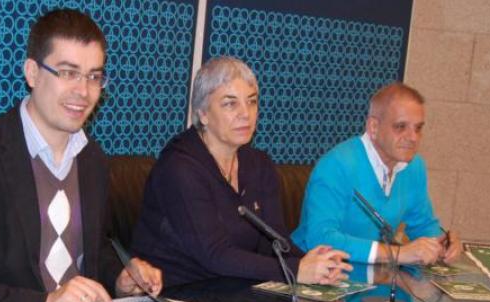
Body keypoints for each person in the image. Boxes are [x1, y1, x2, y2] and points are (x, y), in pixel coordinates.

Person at [0, 9, 161, 302]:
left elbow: (89, 252)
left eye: (93, 76)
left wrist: (119, 278)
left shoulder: (93, 160)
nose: (83, 91)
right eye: (68, 73)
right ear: (33, 73)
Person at [131, 56, 351, 287]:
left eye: (252, 101)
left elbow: (274, 243)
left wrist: (314, 263)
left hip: (236, 292)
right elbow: (214, 255)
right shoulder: (179, 168)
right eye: (230, 104)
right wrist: (296, 270)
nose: (246, 113)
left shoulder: (259, 165)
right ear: (203, 113)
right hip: (176, 293)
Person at [292, 82, 463, 265]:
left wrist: (443, 243)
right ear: (373, 127)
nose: (413, 137)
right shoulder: (336, 165)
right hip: (309, 270)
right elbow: (320, 238)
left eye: (418, 128)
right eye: (401, 126)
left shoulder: (414, 167)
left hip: (371, 273)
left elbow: (423, 224)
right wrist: (395, 254)